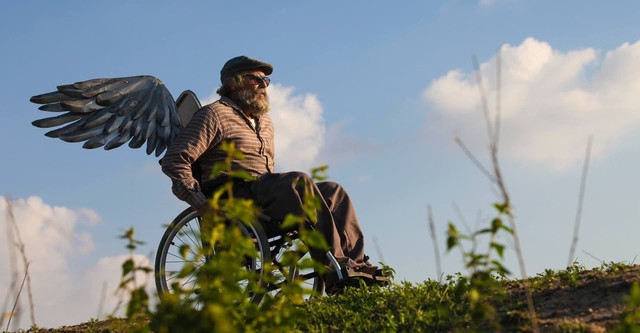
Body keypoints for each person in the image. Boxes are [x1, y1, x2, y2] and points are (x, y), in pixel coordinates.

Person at [161, 55, 381, 288]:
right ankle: (334, 265)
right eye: (256, 79)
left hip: (265, 193)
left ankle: (355, 264)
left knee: (334, 191)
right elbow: (175, 160)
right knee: (299, 181)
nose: (264, 86)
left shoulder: (265, 122)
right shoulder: (213, 115)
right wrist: (200, 203)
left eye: (266, 81)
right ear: (234, 82)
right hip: (234, 196)